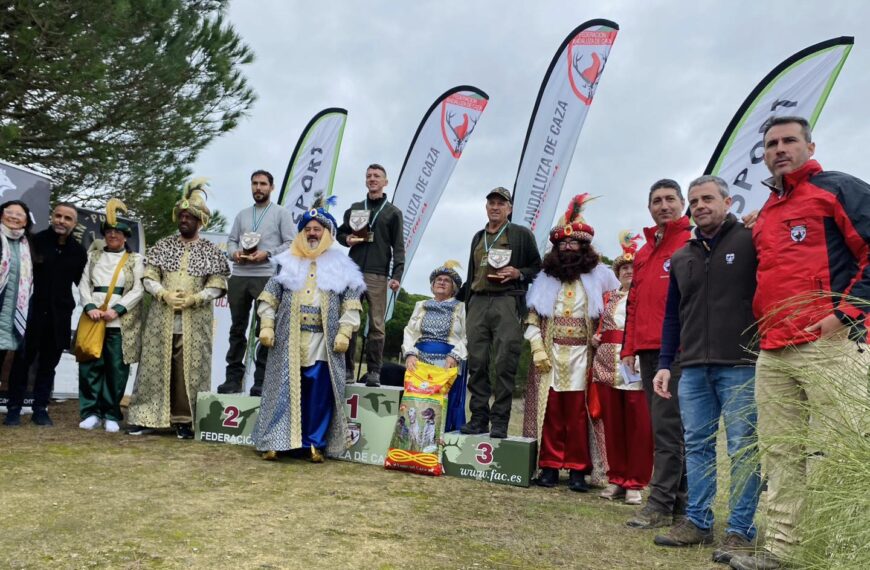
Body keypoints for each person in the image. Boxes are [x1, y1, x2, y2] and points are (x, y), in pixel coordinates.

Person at [729, 117, 870, 570]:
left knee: (833, 450)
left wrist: (845, 316)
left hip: (828, 344)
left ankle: (833, 553)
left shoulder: (838, 189)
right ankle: (781, 551)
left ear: (811, 145)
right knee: (779, 451)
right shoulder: (766, 213)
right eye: (771, 143)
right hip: (773, 349)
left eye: (790, 140)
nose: (780, 149)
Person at [649, 176, 762, 565]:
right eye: (694, 201)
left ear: (728, 201)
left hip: (742, 363)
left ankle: (740, 530)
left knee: (742, 449)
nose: (700, 206)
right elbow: (672, 318)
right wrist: (665, 363)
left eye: (708, 199)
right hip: (693, 367)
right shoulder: (682, 256)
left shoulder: (750, 241)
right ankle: (698, 522)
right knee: (696, 446)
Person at [253, 195, 364, 462]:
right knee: (283, 389)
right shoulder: (286, 261)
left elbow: (351, 303)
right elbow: (269, 297)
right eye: (307, 229)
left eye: (317, 229)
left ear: (328, 233)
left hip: (322, 341)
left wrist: (345, 331)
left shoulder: (342, 265)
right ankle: (277, 441)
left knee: (317, 391)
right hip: (288, 337)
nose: (312, 233)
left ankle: (314, 442)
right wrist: (266, 326)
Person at [523, 195, 619, 491]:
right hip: (550, 353)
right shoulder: (544, 278)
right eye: (562, 244)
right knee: (551, 412)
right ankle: (550, 466)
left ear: (584, 247)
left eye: (573, 243)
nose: (567, 248)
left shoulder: (602, 276)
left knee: (579, 413)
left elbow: (616, 308)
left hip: (584, 355)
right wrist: (537, 348)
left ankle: (579, 469)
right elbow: (532, 319)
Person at [126, 179, 229, 439]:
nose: (184, 220)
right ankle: (145, 417)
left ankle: (185, 420)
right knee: (155, 366)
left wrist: (196, 298)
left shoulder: (210, 251)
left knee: (188, 370)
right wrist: (163, 293)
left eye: (190, 216)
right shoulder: (163, 245)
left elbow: (218, 283)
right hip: (162, 317)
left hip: (195, 320)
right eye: (181, 216)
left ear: (200, 221)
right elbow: (149, 276)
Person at [620, 179, 691, 529]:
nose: (664, 206)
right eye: (657, 201)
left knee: (670, 430)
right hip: (647, 351)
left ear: (682, 203)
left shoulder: (691, 242)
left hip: (678, 351)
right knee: (666, 428)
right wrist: (628, 347)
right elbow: (633, 303)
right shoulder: (645, 251)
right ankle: (679, 504)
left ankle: (661, 505)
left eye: (670, 199)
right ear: (649, 207)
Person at [458, 186, 541, 439]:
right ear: (486, 207)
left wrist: (518, 273)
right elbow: (473, 272)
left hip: (507, 301)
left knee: (505, 362)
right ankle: (479, 418)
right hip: (478, 302)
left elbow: (537, 267)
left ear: (510, 208)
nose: (495, 207)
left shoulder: (521, 234)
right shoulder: (477, 236)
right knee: (477, 362)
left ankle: (500, 421)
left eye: (501, 203)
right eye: (491, 203)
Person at [4, 202, 86, 427]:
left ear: (74, 224)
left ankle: (40, 409)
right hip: (31, 313)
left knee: (49, 365)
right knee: (22, 362)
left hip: (59, 316)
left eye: (67, 218)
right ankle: (14, 409)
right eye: (58, 216)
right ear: (52, 217)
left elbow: (84, 284)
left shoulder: (78, 252)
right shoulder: (33, 242)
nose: (62, 221)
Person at [217, 169, 294, 397]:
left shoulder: (281, 213)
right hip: (240, 274)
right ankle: (232, 379)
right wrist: (234, 254)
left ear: (272, 187)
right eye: (254, 184)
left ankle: (260, 381)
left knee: (265, 329)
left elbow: (290, 243)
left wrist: (268, 253)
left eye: (262, 184)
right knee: (237, 329)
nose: (258, 188)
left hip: (265, 275)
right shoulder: (242, 215)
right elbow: (231, 241)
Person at [591, 230, 652, 506]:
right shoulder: (609, 298)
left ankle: (635, 482)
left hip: (635, 365)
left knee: (638, 426)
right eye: (624, 268)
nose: (629, 271)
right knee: (612, 424)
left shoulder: (647, 295)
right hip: (606, 364)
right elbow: (603, 326)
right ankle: (616, 478)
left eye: (633, 267)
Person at [76, 199, 145, 433]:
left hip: (119, 321)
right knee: (90, 365)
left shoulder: (135, 260)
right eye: (109, 232)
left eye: (118, 232)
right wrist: (89, 307)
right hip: (93, 317)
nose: (113, 235)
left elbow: (138, 288)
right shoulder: (93, 256)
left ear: (125, 237)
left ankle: (111, 412)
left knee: (116, 369)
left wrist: (117, 309)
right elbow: (84, 284)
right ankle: (90, 412)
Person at [336, 164, 405, 387]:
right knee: (350, 320)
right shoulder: (355, 208)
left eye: (377, 176)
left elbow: (399, 247)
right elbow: (340, 232)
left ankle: (374, 370)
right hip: (353, 272)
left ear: (385, 182)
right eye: (369, 176)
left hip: (378, 274)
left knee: (377, 324)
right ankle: (347, 369)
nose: (372, 179)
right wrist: (346, 239)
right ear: (365, 181)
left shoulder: (392, 212)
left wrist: (397, 275)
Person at [402, 260, 468, 432]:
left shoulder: (461, 308)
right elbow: (409, 331)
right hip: (420, 361)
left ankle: (442, 438)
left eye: (447, 280)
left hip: (449, 361)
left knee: (443, 400)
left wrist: (455, 355)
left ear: (454, 287)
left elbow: (468, 335)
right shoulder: (421, 305)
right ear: (432, 285)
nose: (441, 282)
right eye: (438, 279)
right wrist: (409, 353)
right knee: (419, 401)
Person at [0, 201, 34, 398]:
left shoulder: (28, 245)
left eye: (19, 214)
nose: (13, 216)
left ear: (26, 221)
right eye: (9, 212)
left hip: (12, 318)